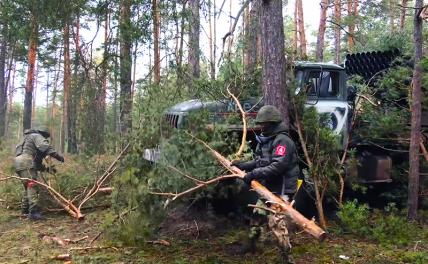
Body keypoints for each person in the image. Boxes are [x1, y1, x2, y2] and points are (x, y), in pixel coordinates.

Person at [232, 105, 300, 264]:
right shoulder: (264, 139)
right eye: (260, 123)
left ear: (272, 123)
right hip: (268, 188)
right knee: (257, 216)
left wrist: (252, 175)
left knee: (276, 223)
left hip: (282, 189)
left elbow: (278, 167)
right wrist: (242, 165)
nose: (260, 126)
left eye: (263, 124)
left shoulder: (283, 141)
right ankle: (251, 245)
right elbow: (259, 161)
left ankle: (286, 258)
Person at [14, 127, 64, 220]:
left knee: (27, 186)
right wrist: (58, 157)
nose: (45, 139)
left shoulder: (26, 139)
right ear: (42, 134)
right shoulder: (36, 136)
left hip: (18, 162)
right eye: (45, 137)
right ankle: (33, 213)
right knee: (32, 185)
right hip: (26, 161)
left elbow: (36, 164)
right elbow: (46, 147)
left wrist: (47, 169)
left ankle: (25, 210)